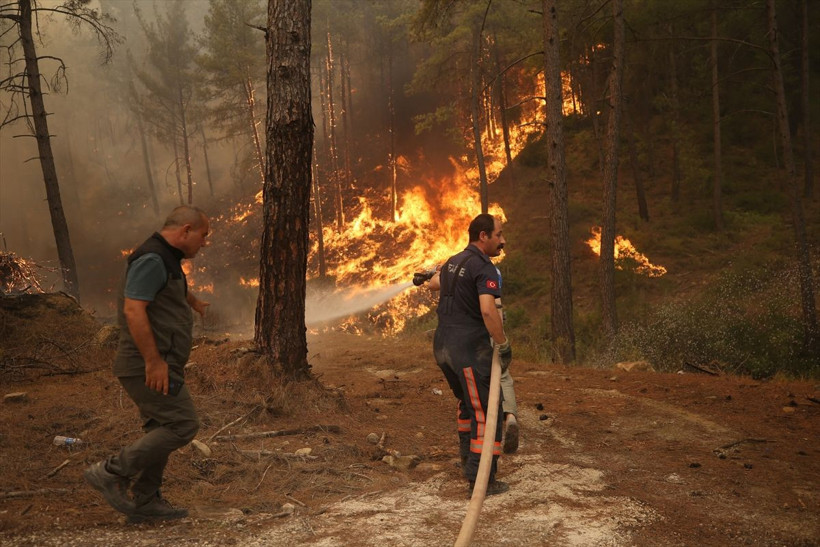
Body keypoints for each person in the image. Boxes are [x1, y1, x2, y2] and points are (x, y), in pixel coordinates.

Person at [84, 205, 210, 523]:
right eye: (203, 235)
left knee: (160, 427)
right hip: (144, 364)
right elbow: (134, 310)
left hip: (158, 362)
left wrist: (192, 301)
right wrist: (153, 362)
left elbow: (162, 291)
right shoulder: (153, 258)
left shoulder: (165, 258)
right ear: (185, 230)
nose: (204, 242)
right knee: (182, 425)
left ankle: (145, 501)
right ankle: (111, 472)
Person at [428, 213, 512, 496]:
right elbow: (488, 310)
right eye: (498, 235)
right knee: (487, 411)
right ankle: (481, 479)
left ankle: (468, 463)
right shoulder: (484, 268)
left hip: (442, 346)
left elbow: (433, 284)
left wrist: (430, 274)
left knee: (467, 404)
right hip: (467, 348)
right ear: (483, 236)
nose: (503, 241)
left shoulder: (453, 261)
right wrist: (502, 344)